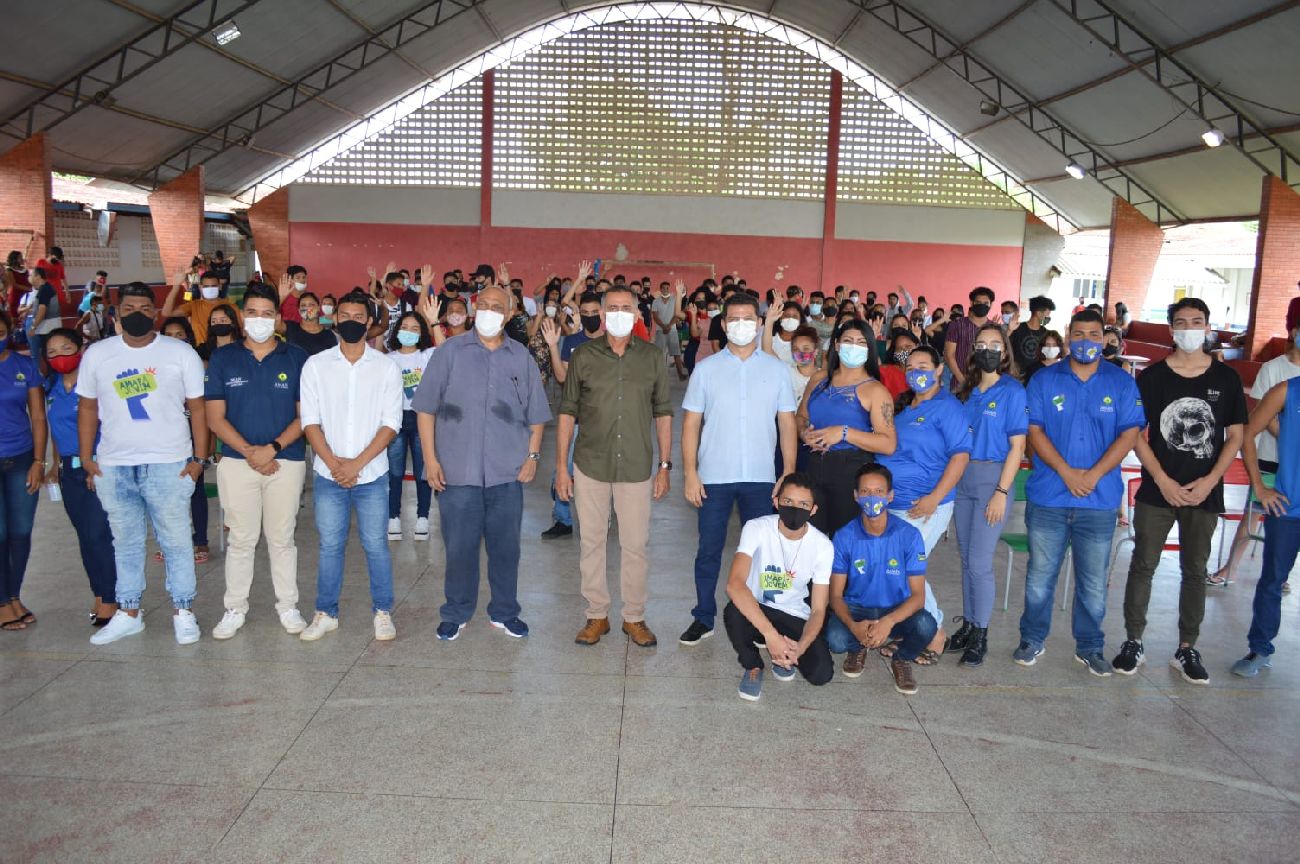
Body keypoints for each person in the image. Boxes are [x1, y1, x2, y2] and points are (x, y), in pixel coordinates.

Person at [1111, 298, 1245, 684]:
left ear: (1208, 327)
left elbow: (1235, 436)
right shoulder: (1153, 378)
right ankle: (1133, 641)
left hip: (1204, 493)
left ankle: (1187, 647)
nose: (1189, 328)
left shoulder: (1226, 379)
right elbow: (1136, 434)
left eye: (1196, 321)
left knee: (1195, 570)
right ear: (1171, 329)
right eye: (1181, 322)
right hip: (1158, 491)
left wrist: (1210, 480)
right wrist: (1162, 480)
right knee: (1143, 565)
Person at [414, 284, 550, 641]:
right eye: (484, 304)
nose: (490, 311)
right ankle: (456, 611)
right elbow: (425, 409)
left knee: (506, 549)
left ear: (509, 313)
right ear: (475, 309)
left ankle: (505, 611)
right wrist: (430, 459)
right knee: (459, 548)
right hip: (457, 471)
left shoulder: (520, 357)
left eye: (498, 306)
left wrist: (533, 456)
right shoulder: (449, 352)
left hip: (507, 472)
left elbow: (537, 414)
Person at [1014, 308, 1144, 675]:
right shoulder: (1044, 380)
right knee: (1039, 579)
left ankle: (1089, 646)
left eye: (1094, 335)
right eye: (1079, 334)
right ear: (1069, 337)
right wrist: (1067, 472)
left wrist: (1094, 475)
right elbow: (1034, 431)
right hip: (1049, 497)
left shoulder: (1121, 383)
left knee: (1093, 583)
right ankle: (1032, 639)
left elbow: (1130, 434)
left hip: (1098, 500)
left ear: (1104, 339)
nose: (1086, 341)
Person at [81, 282, 208, 646]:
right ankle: (129, 612)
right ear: (117, 313)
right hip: (115, 464)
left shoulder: (179, 352)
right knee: (126, 542)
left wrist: (199, 459)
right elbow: (87, 407)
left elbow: (198, 408)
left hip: (169, 462)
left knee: (177, 541)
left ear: (155, 313)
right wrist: (87, 457)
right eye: (129, 308)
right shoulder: (98, 354)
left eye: (144, 308)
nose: (137, 314)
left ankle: (183, 610)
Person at [557, 283, 672, 647]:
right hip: (590, 463)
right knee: (591, 543)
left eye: (626, 308)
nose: (619, 314)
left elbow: (663, 412)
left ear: (637, 314)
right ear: (603, 315)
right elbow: (567, 412)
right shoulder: (583, 356)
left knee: (635, 545)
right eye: (613, 308)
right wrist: (560, 467)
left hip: (636, 466)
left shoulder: (652, 357)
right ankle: (596, 615)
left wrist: (665, 465)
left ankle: (634, 618)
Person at [680, 291, 797, 645]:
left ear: (759, 323)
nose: (742, 325)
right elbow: (691, 424)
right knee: (709, 550)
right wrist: (690, 473)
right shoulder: (706, 370)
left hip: (761, 478)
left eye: (748, 318)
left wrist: (788, 474)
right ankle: (703, 616)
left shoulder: (776, 370)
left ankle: (762, 619)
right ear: (724, 323)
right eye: (734, 319)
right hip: (714, 477)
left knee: (763, 553)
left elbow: (787, 424)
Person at [203, 285, 310, 639]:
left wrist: (273, 448)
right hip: (237, 462)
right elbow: (215, 417)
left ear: (278, 318)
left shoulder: (296, 358)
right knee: (241, 540)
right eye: (252, 313)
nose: (259, 320)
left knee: (282, 539)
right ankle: (234, 608)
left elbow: (305, 416)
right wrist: (251, 451)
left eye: (267, 314)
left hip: (286, 461)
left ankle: (288, 606)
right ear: (242, 316)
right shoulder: (224, 358)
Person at [298, 290, 403, 642]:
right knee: (330, 546)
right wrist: (334, 464)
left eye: (359, 317)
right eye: (345, 316)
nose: (352, 322)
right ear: (334, 319)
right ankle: (326, 612)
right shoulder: (316, 365)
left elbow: (391, 423)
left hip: (371, 475)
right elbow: (310, 421)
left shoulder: (386, 367)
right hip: (329, 475)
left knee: (376, 545)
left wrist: (356, 464)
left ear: (370, 322)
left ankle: (383, 612)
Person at [948, 324, 1026, 667]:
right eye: (981, 344)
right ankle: (968, 625)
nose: (988, 350)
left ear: (1005, 351)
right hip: (963, 480)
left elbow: (1017, 447)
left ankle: (981, 633)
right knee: (967, 560)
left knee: (980, 563)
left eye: (995, 344)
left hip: (993, 480)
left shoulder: (1012, 391)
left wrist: (1001, 492)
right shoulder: (966, 390)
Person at [1211, 297, 1300, 586]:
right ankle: (1230, 568)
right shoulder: (1274, 369)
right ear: (1294, 332)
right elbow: (1262, 413)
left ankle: (1281, 574)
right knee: (1254, 513)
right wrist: (1290, 438)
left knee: (1290, 522)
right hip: (1272, 459)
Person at [825, 464, 934, 695]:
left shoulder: (909, 535)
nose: (872, 497)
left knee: (926, 626)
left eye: (878, 491)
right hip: (857, 607)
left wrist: (889, 621)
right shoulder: (844, 536)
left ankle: (901, 658)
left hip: (895, 607)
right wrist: (854, 627)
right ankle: (858, 645)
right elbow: (834, 596)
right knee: (835, 639)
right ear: (856, 496)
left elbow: (918, 597)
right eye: (865, 491)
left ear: (890, 496)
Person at [723, 473, 834, 699]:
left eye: (803, 504)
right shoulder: (756, 528)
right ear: (776, 502)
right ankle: (753, 664)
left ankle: (783, 655)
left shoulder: (823, 546)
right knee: (733, 612)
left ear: (813, 510)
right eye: (788, 501)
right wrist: (771, 636)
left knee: (821, 674)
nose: (795, 509)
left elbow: (818, 609)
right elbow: (734, 585)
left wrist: (800, 647)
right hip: (757, 607)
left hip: (793, 612)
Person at [42, 328, 117, 626]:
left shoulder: (95, 385)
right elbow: (56, 430)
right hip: (68, 471)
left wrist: (95, 464)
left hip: (95, 468)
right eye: (51, 352)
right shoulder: (52, 388)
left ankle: (111, 598)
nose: (59, 356)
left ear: (80, 349)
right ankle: (99, 593)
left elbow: (108, 427)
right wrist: (54, 463)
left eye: (65, 348)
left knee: (99, 535)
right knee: (85, 537)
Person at [797, 319, 896, 536]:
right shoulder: (819, 378)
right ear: (837, 344)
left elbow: (888, 444)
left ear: (869, 349)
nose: (854, 346)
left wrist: (844, 433)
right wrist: (804, 432)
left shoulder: (875, 390)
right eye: (848, 340)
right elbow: (801, 415)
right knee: (811, 537)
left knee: (844, 538)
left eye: (861, 342)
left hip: (849, 470)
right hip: (812, 464)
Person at [1231, 370, 1300, 677]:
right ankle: (1260, 649)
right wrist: (1259, 486)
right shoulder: (1287, 391)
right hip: (1289, 508)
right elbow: (1247, 433)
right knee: (1273, 580)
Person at [879, 345, 972, 554]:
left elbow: (961, 457)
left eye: (922, 367)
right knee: (889, 567)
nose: (915, 373)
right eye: (910, 368)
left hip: (921, 506)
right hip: (890, 504)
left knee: (903, 566)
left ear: (939, 370)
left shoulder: (949, 407)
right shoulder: (901, 407)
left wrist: (935, 498)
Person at [539, 292, 604, 540]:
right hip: (576, 419)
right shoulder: (572, 342)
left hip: (604, 421)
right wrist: (553, 347)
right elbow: (562, 376)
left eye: (594, 312)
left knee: (601, 475)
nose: (590, 317)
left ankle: (601, 518)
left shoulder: (613, 342)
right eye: (585, 313)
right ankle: (563, 519)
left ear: (603, 313)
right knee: (563, 472)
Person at [0, 311, 46, 632]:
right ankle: (2, 602)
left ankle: (14, 595)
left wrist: (39, 461)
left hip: (21, 458)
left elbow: (38, 417)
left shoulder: (24, 366)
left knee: (20, 532)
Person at [385, 311, 435, 541]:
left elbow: (446, 350)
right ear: (397, 330)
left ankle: (423, 517)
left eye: (415, 328)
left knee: (422, 471)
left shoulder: (427, 356)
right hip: (395, 420)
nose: (409, 332)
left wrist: (434, 323)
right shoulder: (389, 359)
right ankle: (393, 517)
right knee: (394, 471)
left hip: (422, 419)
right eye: (405, 327)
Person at [162, 270, 240, 345]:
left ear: (220, 286)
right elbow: (166, 313)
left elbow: (239, 331)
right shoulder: (194, 305)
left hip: (225, 349)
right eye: (206, 286)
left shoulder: (231, 307)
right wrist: (176, 286)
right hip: (201, 350)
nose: (210, 289)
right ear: (200, 287)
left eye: (213, 286)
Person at [944, 287, 994, 391]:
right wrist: (963, 381)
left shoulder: (993, 328)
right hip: (960, 384)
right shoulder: (957, 325)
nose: (982, 305)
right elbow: (949, 355)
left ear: (991, 305)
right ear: (971, 303)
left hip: (987, 386)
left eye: (986, 303)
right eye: (978, 302)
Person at [651, 280, 687, 380]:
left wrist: (669, 326)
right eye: (664, 288)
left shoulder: (675, 299)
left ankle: (680, 374)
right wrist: (663, 326)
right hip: (660, 330)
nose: (666, 289)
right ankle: (658, 377)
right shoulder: (656, 301)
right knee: (659, 355)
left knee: (676, 354)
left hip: (673, 330)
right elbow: (655, 316)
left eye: (667, 288)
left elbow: (677, 314)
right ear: (660, 289)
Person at [282, 291, 337, 356]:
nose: (307, 308)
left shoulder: (329, 335)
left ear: (319, 308)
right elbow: (274, 322)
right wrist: (281, 297)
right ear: (299, 310)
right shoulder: (290, 327)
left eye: (311, 305)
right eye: (303, 305)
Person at [1010, 296, 1055, 372]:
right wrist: (1009, 330)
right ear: (1038, 313)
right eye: (1047, 314)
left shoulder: (1046, 333)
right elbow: (1006, 346)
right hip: (1018, 375)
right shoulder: (1017, 328)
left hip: (1037, 375)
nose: (1048, 317)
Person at [761, 301, 805, 367]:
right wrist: (769, 321)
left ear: (800, 319)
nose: (790, 319)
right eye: (787, 315)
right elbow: (766, 352)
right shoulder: (768, 336)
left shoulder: (804, 342)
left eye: (795, 316)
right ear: (780, 317)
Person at [878, 328, 917, 401]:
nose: (905, 350)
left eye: (908, 346)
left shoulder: (927, 371)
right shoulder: (885, 372)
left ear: (917, 346)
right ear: (895, 354)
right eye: (899, 348)